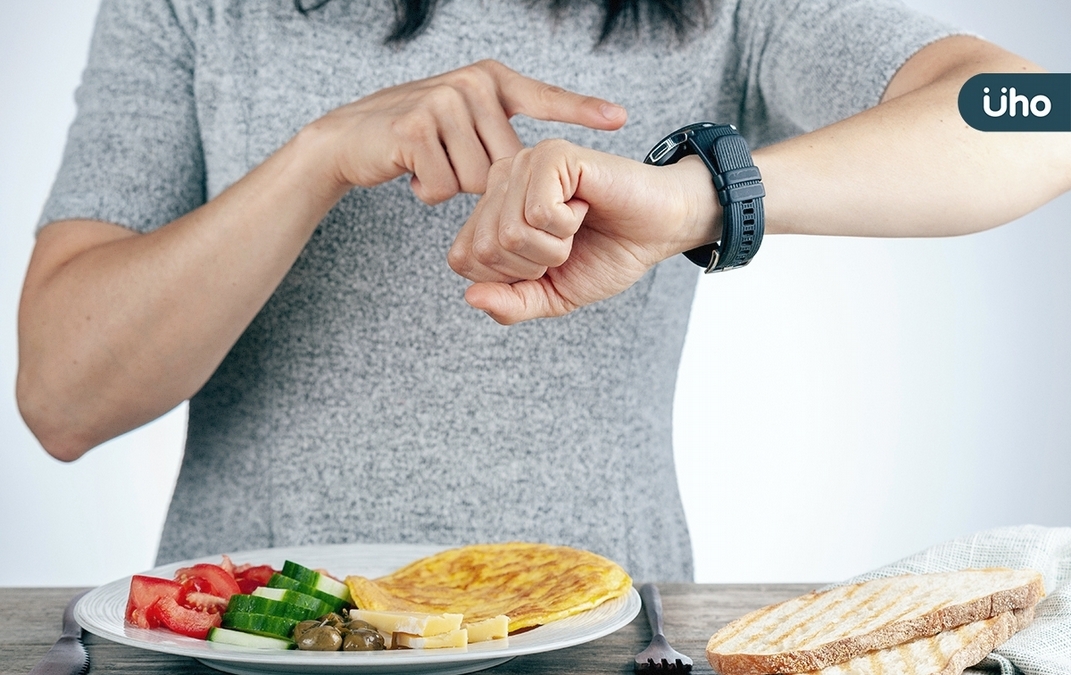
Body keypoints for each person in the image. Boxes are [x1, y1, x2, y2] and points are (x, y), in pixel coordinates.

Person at [16, 0, 1071, 582]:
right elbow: (63, 397)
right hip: (246, 642)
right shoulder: (194, 9)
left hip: (602, 645)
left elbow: (1042, 116)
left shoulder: (720, 8)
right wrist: (316, 161)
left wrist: (704, 197)